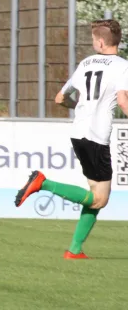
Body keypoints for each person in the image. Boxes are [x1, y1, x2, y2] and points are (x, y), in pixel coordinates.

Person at [15, 19, 128, 259]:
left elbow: (59, 98)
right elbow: (122, 100)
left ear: (99, 41)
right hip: (97, 136)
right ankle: (42, 183)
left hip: (78, 133)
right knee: (100, 199)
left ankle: (74, 250)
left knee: (95, 195)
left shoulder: (85, 63)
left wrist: (78, 106)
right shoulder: (122, 66)